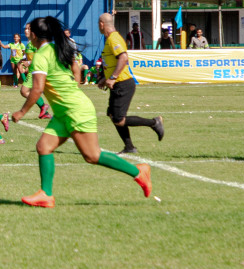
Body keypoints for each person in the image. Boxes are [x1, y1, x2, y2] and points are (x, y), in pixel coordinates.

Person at [12, 15, 153, 208]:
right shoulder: (55, 48)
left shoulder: (41, 56)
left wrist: (21, 112)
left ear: (34, 35)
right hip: (64, 112)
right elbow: (75, 67)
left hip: (75, 110)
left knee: (92, 156)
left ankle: (139, 171)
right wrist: (74, 83)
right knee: (44, 147)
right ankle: (46, 195)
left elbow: (37, 89)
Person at [96, 13, 165, 155]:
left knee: (119, 119)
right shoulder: (110, 39)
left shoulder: (113, 39)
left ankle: (154, 123)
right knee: (112, 114)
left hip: (123, 84)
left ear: (102, 24)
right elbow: (114, 61)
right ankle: (129, 147)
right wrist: (105, 78)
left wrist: (113, 77)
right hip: (118, 84)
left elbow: (123, 57)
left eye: (98, 24)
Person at [16, 23, 52, 119]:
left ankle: (43, 106)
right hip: (32, 70)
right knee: (27, 91)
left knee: (24, 91)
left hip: (37, 70)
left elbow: (41, 56)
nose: (26, 30)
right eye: (25, 29)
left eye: (28, 29)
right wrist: (20, 62)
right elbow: (27, 56)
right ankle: (44, 110)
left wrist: (29, 62)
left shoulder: (35, 43)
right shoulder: (28, 43)